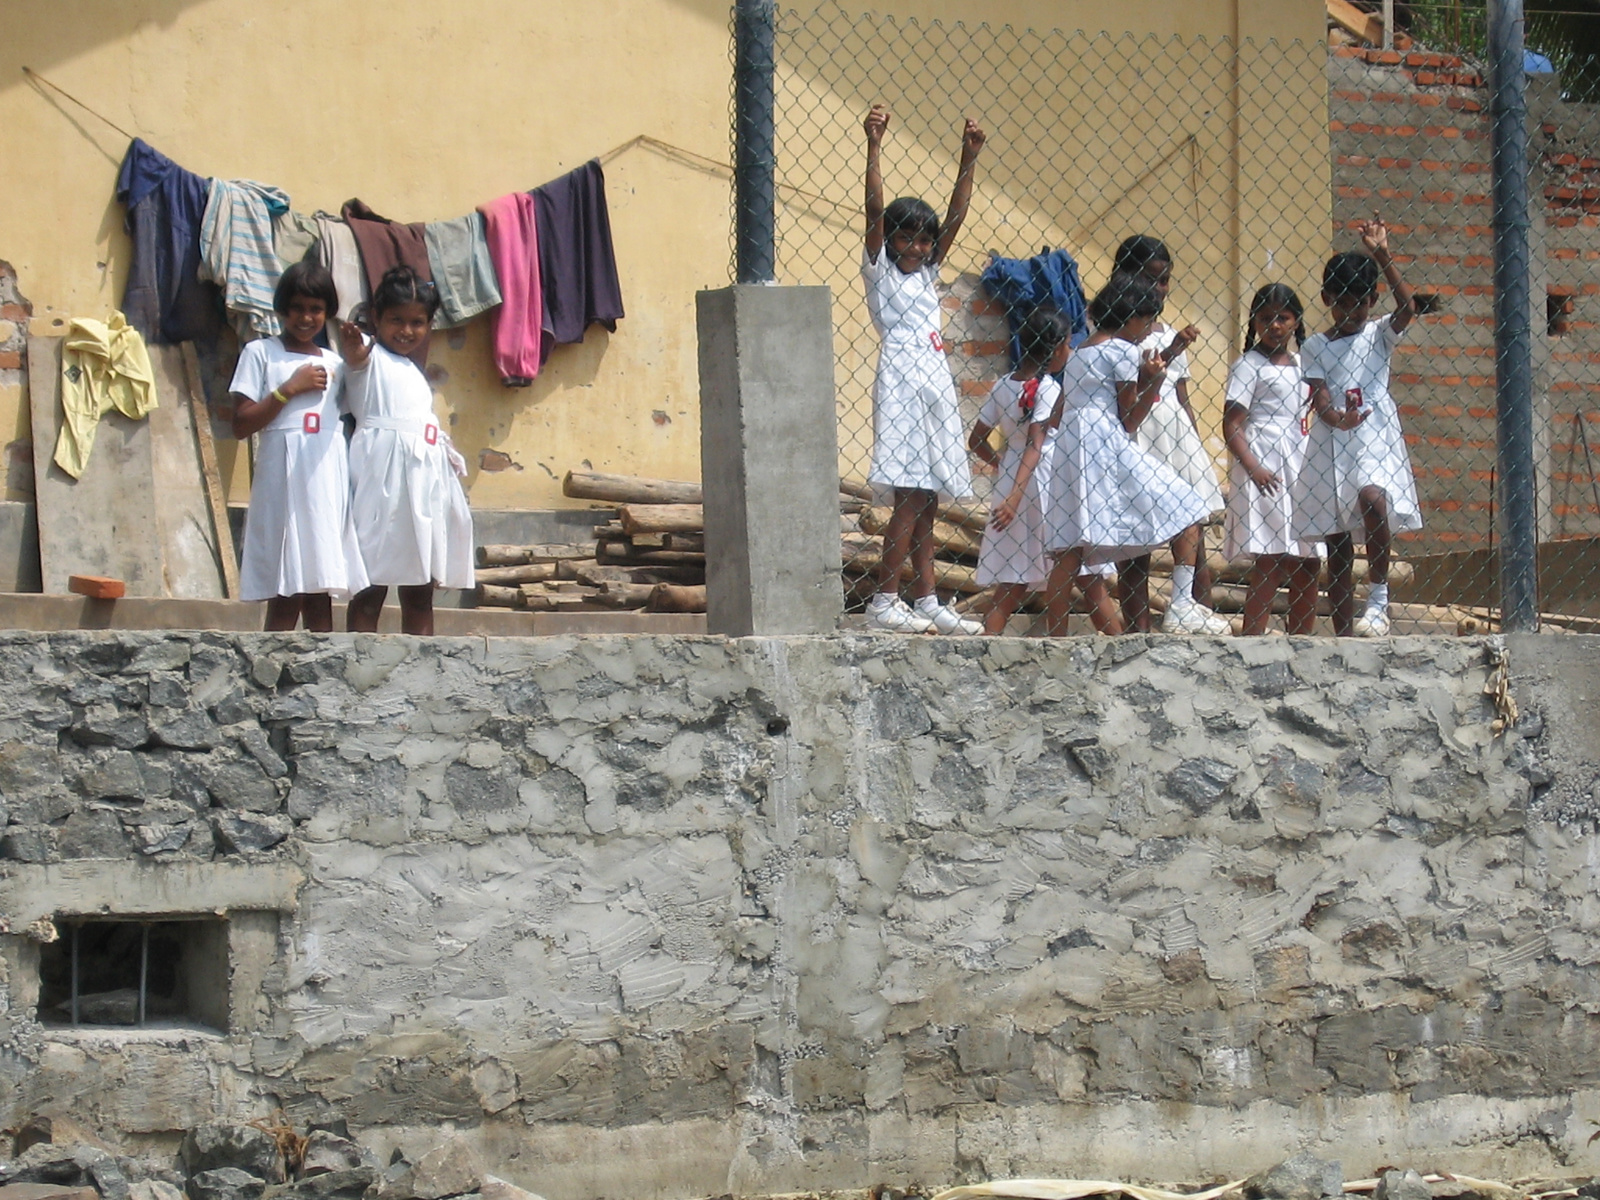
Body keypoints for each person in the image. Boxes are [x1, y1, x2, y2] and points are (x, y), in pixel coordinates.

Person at [861, 102, 985, 635]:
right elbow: (872, 212)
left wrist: (968, 159)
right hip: (904, 380)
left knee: (930, 497)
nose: (916, 247)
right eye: (906, 238)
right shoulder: (880, 271)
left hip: (933, 381)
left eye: (923, 240)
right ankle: (885, 599)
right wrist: (874, 144)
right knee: (910, 496)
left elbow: (955, 218)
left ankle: (928, 597)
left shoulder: (927, 271)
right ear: (890, 239)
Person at [1039, 274, 1217, 636]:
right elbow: (1130, 419)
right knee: (1189, 507)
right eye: (1148, 321)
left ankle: (1054, 636)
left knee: (1070, 550)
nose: (1149, 330)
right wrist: (1154, 379)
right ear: (1131, 318)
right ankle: (1182, 603)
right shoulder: (1123, 351)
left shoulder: (1080, 352)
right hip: (1108, 446)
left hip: (1074, 453)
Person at [1293, 215, 1420, 637]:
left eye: (1363, 303)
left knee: (1373, 499)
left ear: (1372, 300)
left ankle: (1379, 598)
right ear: (1328, 298)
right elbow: (1320, 399)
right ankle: (1344, 632)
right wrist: (1337, 420)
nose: (1354, 312)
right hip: (1333, 442)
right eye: (1344, 303)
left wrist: (1382, 254)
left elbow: (1408, 307)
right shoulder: (1315, 346)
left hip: (1374, 436)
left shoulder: (1379, 333)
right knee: (1338, 542)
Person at [228, 261, 367, 631]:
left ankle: (324, 668)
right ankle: (274, 662)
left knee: (319, 574)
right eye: (298, 308)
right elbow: (242, 423)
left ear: (328, 312)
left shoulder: (337, 364)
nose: (306, 318)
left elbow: (360, 411)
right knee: (287, 578)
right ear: (282, 309)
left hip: (324, 474)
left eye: (316, 309)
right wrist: (288, 388)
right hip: (282, 473)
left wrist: (357, 362)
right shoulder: (260, 353)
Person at [336, 266, 474, 635]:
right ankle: (359, 660)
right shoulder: (370, 360)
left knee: (420, 586)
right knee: (371, 583)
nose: (407, 330)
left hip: (423, 482)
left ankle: (422, 667)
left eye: (417, 322)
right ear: (376, 319)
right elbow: (357, 362)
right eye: (396, 320)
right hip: (383, 481)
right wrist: (354, 352)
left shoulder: (414, 370)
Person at [1110, 235, 1227, 633]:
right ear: (1125, 277)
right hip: (1139, 439)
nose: (1159, 289)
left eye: (1165, 281)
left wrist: (1196, 446)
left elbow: (1182, 397)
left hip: (1176, 439)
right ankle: (1138, 631)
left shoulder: (1171, 333)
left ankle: (1196, 611)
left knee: (1193, 532)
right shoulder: (1115, 335)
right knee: (1136, 543)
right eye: (1151, 279)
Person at [1222, 283, 1320, 636]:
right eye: (1266, 318)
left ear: (1296, 321)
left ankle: (1302, 641)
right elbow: (1232, 425)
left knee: (1309, 559)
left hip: (1300, 462)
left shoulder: (1302, 364)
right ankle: (1252, 639)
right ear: (1255, 322)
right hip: (1264, 462)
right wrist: (1254, 468)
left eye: (1283, 318)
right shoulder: (1248, 365)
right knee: (1271, 557)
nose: (1275, 325)